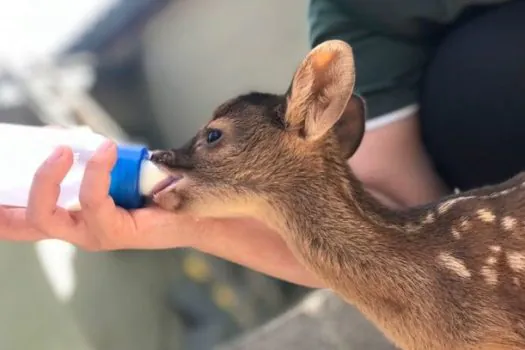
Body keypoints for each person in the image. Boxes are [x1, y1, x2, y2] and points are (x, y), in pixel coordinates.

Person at [1, 0, 524, 291]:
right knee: (478, 87)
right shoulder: (359, 13)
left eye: (213, 140)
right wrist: (178, 222)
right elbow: (391, 216)